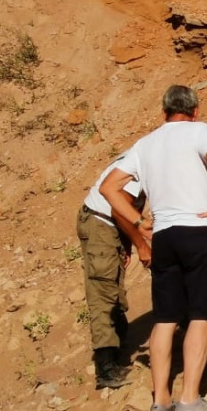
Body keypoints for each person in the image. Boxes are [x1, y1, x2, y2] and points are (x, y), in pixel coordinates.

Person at [101, 85, 207, 411]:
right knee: (202, 313)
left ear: (164, 112)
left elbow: (108, 187)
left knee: (165, 317)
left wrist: (137, 220)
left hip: (164, 236)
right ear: (195, 110)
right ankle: (190, 400)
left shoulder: (145, 144)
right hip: (197, 229)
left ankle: (160, 401)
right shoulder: (198, 131)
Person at [77, 157, 152, 390]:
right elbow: (119, 209)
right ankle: (106, 367)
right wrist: (141, 245)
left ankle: (117, 352)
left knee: (113, 287)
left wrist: (126, 243)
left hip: (109, 226)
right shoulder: (141, 164)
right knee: (103, 293)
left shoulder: (145, 155)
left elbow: (127, 211)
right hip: (102, 223)